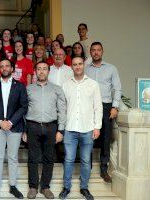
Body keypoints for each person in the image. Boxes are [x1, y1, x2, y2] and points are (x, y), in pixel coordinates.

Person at [59, 56, 103, 200]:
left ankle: (84, 188)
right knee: (69, 159)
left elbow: (98, 107)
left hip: (88, 129)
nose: (77, 67)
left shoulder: (93, 84)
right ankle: (66, 187)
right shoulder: (65, 85)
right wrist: (62, 128)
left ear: (83, 65)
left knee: (85, 160)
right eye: (74, 64)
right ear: (71, 66)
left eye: (80, 64)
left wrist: (97, 127)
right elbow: (62, 108)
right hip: (70, 129)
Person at [0, 58, 28, 199]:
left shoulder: (20, 86)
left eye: (7, 66)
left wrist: (10, 122)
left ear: (12, 68)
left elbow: (23, 106)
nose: (4, 68)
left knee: (13, 157)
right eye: (2, 66)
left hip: (14, 127)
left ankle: (13, 186)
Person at [24, 61, 66, 199]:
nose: (41, 71)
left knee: (49, 158)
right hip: (32, 126)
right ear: (35, 71)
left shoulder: (57, 89)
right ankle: (33, 187)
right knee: (33, 158)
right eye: (39, 69)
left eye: (44, 69)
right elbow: (23, 110)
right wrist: (24, 130)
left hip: (51, 127)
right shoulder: (28, 89)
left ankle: (45, 187)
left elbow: (62, 110)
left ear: (48, 71)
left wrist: (60, 130)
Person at [85, 42, 122, 183]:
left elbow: (117, 89)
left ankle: (103, 169)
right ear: (90, 52)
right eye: (93, 50)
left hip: (106, 106)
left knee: (106, 138)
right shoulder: (86, 69)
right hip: (89, 107)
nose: (96, 52)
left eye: (98, 50)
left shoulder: (111, 69)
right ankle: (86, 168)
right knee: (88, 136)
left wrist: (115, 106)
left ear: (102, 52)